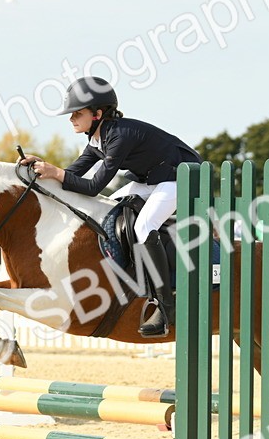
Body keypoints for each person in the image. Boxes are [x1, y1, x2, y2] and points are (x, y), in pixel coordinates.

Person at [19, 76, 200, 337]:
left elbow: (92, 186)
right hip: (153, 180)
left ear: (97, 114)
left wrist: (56, 172)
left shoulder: (119, 136)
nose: (71, 119)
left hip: (179, 179)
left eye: (77, 113)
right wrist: (41, 167)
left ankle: (165, 306)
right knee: (110, 208)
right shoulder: (97, 139)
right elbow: (70, 175)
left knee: (144, 225)